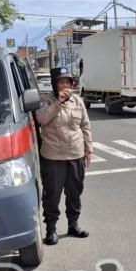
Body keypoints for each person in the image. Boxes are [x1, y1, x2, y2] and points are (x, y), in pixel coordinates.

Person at [35, 67, 93, 245]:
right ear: (54, 84)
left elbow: (85, 125)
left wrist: (88, 149)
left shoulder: (77, 101)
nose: (65, 85)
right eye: (61, 82)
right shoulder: (45, 100)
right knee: (52, 194)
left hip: (75, 154)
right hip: (53, 156)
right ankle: (51, 229)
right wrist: (57, 103)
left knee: (75, 192)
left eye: (68, 82)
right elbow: (41, 119)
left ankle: (73, 225)